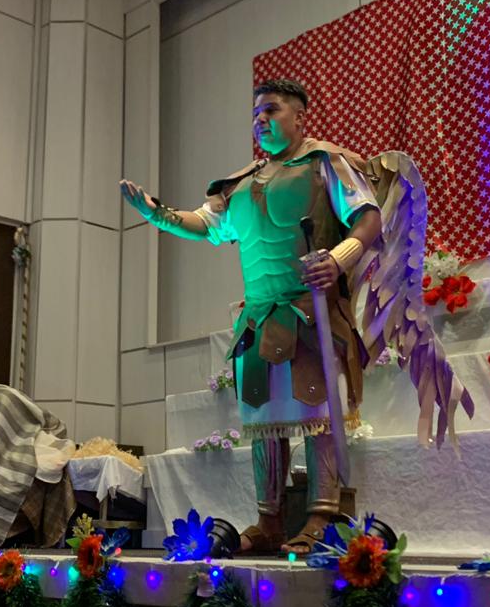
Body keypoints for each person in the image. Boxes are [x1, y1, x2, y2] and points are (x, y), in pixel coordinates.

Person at [120, 79, 382, 555]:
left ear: (299, 117)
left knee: (318, 415)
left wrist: (338, 258)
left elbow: (368, 216)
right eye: (256, 114)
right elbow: (206, 224)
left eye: (272, 110)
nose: (261, 120)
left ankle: (323, 515)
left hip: (311, 311)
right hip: (259, 320)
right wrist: (157, 214)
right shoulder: (240, 184)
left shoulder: (326, 163)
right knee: (265, 423)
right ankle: (269, 521)